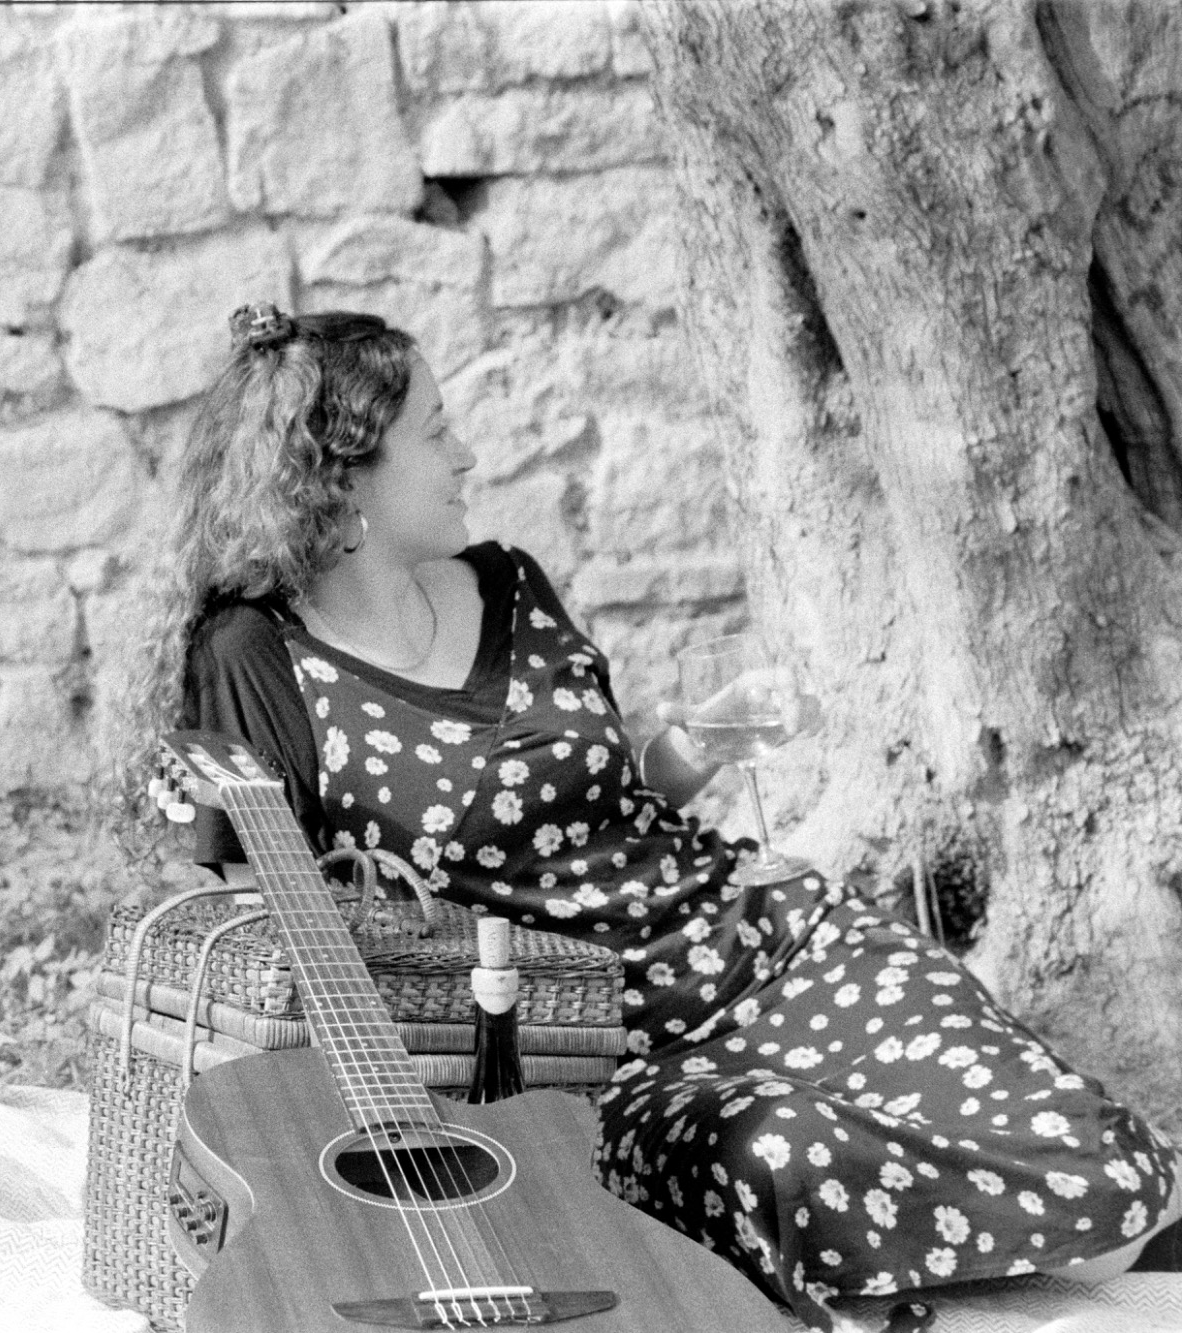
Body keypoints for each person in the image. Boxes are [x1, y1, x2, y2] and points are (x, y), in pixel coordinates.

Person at [110, 303, 1181, 1330]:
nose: (466, 457)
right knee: (787, 1154)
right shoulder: (256, 652)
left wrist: (705, 737)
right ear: (342, 473)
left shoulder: (508, 583)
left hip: (767, 944)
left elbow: (607, 806)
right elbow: (267, 932)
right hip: (591, 1052)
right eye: (435, 434)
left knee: (1108, 1175)